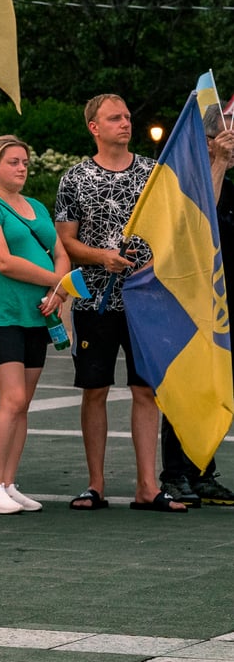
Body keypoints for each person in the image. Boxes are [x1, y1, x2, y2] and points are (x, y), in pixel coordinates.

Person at [54, 93, 186, 513]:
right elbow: (66, 242)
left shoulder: (153, 175)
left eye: (128, 116)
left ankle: (147, 485)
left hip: (147, 302)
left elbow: (173, 230)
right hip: (95, 301)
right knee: (94, 390)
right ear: (94, 126)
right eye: (115, 118)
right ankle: (95, 485)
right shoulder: (75, 178)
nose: (125, 123)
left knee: (146, 391)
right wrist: (101, 257)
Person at [0, 136, 71, 514]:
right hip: (2, 312)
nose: (22, 167)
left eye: (25, 161)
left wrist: (59, 290)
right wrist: (52, 281)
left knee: (23, 403)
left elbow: (60, 251)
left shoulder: (36, 206)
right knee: (11, 399)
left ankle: (8, 483)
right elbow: (3, 261)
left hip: (38, 314)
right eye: (13, 162)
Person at [157, 104, 234, 506]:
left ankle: (203, 470)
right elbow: (203, 218)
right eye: (223, 136)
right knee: (190, 385)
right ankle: (175, 473)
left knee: (219, 384)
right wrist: (219, 162)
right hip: (195, 297)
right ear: (204, 141)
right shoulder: (187, 176)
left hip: (223, 297)